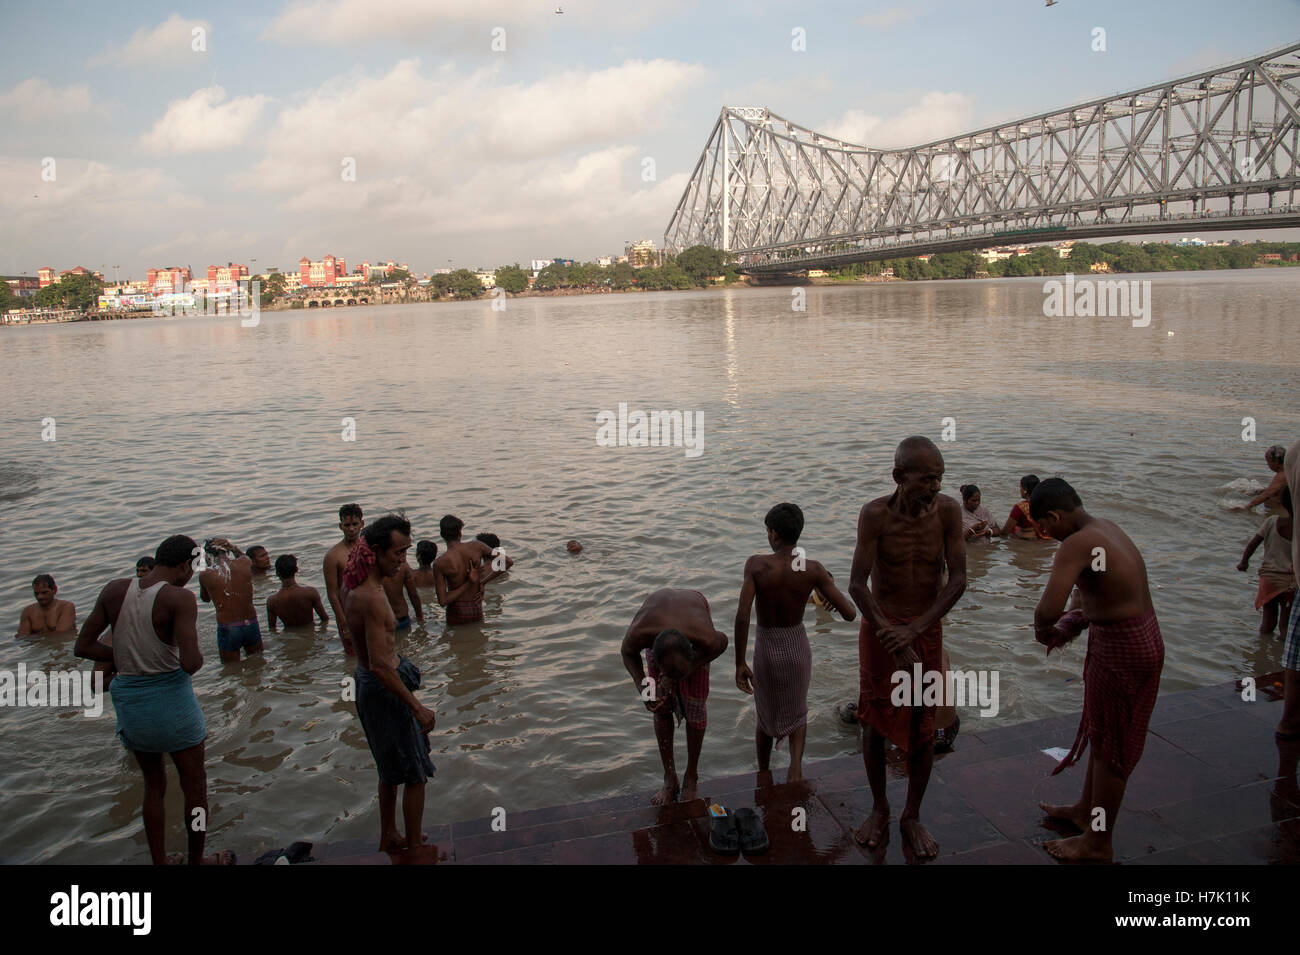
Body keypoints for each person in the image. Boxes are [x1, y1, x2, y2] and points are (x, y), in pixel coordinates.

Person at [73, 535, 233, 865]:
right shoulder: (180, 599)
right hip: (173, 707)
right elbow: (190, 663)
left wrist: (124, 656)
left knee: (153, 788)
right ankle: (196, 859)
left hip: (132, 707)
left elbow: (83, 646)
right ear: (183, 566)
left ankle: (159, 860)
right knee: (196, 791)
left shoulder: (114, 590)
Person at [1030, 478, 1164, 862]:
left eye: (1044, 527)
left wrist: (1045, 631)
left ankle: (1098, 842)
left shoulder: (1075, 543)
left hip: (1121, 649)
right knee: (1103, 733)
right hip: (1145, 637)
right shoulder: (1105, 527)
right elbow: (1087, 593)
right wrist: (1073, 618)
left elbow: (1048, 608)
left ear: (1053, 516)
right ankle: (1086, 811)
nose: (1045, 535)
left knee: (1111, 750)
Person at [848, 436, 966, 858]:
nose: (935, 488)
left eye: (940, 479)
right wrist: (890, 634)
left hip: (924, 628)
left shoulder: (950, 512)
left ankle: (911, 815)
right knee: (872, 721)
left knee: (924, 722)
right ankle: (880, 809)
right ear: (900, 477)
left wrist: (914, 631)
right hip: (881, 629)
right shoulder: (874, 514)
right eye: (927, 479)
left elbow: (957, 582)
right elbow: (857, 585)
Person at [734, 503, 856, 783]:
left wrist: (740, 662)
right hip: (796, 646)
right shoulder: (812, 569)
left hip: (766, 647)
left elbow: (742, 617)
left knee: (765, 715)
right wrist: (825, 596)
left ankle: (763, 772)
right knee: (798, 711)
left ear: (774, 534)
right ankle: (795, 771)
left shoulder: (756, 565)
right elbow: (849, 613)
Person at [343, 514, 437, 853]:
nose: (403, 561)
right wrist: (417, 707)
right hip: (384, 690)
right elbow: (382, 665)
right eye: (398, 553)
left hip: (368, 684)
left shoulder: (352, 584)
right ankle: (414, 846)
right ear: (377, 551)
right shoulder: (370, 596)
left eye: (407, 552)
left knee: (388, 769)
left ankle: (389, 834)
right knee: (414, 774)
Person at [620, 589, 728, 805]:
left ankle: (691, 777)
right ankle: (670, 779)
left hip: (693, 618)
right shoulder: (642, 633)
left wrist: (690, 668)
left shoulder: (704, 638)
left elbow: (722, 643)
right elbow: (627, 652)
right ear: (654, 658)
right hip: (659, 622)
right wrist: (645, 689)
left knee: (695, 710)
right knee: (659, 707)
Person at [1238, 487, 1295, 636]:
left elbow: (1252, 544)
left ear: (1283, 503)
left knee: (1267, 621)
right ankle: (1281, 655)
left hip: (1268, 579)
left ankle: (1262, 649)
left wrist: (1244, 562)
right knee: (1286, 626)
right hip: (1290, 583)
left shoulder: (1271, 521)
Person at [198, 538, 262, 663]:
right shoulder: (244, 562)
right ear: (227, 550)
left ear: (207, 555)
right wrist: (233, 547)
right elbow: (246, 559)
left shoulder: (206, 574)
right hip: (251, 623)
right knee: (258, 664)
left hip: (229, 627)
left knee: (231, 669)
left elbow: (205, 599)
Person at [432, 515, 493, 625]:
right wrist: (483, 581)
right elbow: (506, 561)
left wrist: (469, 583)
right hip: (476, 608)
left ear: (442, 535)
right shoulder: (477, 546)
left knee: (455, 640)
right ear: (460, 533)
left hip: (456, 612)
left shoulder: (439, 563)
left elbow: (443, 601)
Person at [324, 504, 364, 654]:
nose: (351, 529)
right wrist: (343, 622)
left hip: (369, 609)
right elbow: (333, 594)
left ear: (362, 524)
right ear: (340, 526)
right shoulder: (333, 556)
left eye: (355, 524)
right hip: (349, 613)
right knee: (353, 656)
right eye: (347, 525)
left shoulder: (369, 549)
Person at [267, 554, 329, 630]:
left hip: (288, 638)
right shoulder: (310, 593)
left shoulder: (272, 601)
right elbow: (324, 618)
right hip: (309, 635)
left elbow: (272, 629)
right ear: (296, 569)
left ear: (277, 573)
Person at [1000, 474, 1052, 540]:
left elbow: (1005, 532)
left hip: (1027, 542)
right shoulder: (1047, 504)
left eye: (1020, 487)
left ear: (1025, 490)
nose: (1020, 489)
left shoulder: (1019, 507)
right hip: (1046, 540)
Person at [1237, 445, 1288, 511]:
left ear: (1276, 462)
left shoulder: (1282, 475)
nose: (1268, 465)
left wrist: (1246, 507)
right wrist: (1258, 492)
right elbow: (1277, 490)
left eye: (1268, 462)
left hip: (1278, 512)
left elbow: (1268, 494)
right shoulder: (1287, 472)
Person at [382, 556, 423, 630]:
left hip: (378, 622)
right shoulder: (403, 566)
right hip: (401, 619)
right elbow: (413, 595)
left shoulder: (371, 567)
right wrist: (420, 616)